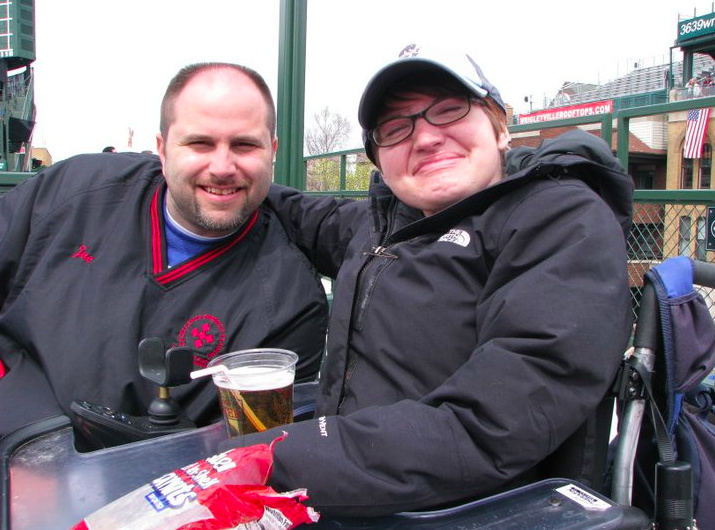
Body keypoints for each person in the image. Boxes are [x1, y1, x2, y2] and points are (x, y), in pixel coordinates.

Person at [224, 46, 634, 517]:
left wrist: (274, 458)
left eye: (448, 110)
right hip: (347, 495)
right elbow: (305, 214)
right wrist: (235, 176)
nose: (425, 138)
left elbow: (491, 424)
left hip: (467, 513)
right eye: (397, 129)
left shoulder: (560, 221)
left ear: (501, 127)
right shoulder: (384, 225)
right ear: (380, 160)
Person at [0, 63, 328, 437]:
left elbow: (248, 450)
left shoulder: (292, 302)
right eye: (200, 143)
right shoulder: (71, 194)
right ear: (162, 148)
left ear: (271, 150)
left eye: (244, 145)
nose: (222, 167)